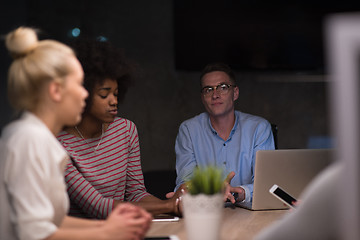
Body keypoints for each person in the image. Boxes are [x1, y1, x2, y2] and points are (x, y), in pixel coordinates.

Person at [0, 27, 152, 240]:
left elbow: (53, 221)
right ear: (55, 91)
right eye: (79, 85)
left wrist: (114, 226)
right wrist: (108, 232)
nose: (84, 94)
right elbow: (33, 233)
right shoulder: (29, 139)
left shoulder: (40, 138)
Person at [56, 39, 182, 219]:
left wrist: (177, 205)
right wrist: (171, 205)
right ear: (81, 94)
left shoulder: (125, 130)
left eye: (116, 94)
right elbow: (98, 207)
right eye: (104, 94)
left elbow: (136, 194)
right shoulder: (58, 145)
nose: (114, 101)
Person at [173, 62, 275, 203]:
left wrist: (237, 193)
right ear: (202, 98)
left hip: (248, 214)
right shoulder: (188, 130)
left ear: (235, 93)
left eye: (223, 88)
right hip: (205, 212)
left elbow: (266, 183)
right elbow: (186, 182)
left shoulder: (259, 128)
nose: (215, 95)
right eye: (208, 90)